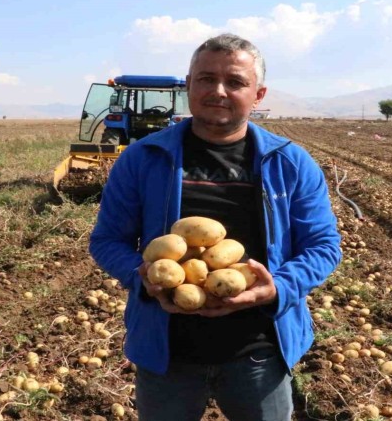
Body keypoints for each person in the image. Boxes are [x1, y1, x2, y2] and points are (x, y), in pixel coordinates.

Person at [89, 33, 342, 421]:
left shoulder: (291, 162)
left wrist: (278, 287)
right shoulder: (143, 158)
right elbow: (107, 240)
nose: (218, 91)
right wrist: (141, 275)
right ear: (189, 85)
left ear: (258, 94)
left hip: (259, 351)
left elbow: (323, 246)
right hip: (167, 350)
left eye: (236, 82)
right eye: (206, 78)